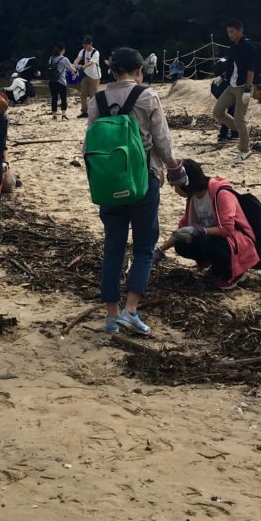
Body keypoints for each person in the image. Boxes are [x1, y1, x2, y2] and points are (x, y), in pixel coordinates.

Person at [86, 47, 181, 336]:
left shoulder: (96, 100)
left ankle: (112, 317)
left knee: (112, 248)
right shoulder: (147, 96)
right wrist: (176, 170)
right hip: (143, 181)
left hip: (109, 182)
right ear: (140, 70)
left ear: (112, 72)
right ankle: (130, 310)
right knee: (143, 247)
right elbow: (162, 141)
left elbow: (90, 142)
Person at [159, 159, 258, 291]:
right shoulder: (193, 198)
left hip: (236, 242)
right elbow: (182, 228)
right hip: (215, 240)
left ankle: (234, 273)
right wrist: (160, 251)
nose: (176, 190)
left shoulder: (221, 194)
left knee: (211, 241)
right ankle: (218, 267)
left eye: (176, 186)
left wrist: (199, 230)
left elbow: (227, 229)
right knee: (182, 245)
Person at [211, 20, 258, 161]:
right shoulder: (234, 45)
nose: (230, 35)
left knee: (239, 119)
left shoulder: (248, 46)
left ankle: (245, 150)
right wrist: (222, 76)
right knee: (217, 112)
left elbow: (251, 68)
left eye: (232, 31)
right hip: (231, 85)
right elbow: (231, 64)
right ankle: (244, 130)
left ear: (240, 31)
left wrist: (248, 88)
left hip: (244, 86)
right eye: (228, 32)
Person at [73, 36, 103, 118]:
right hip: (86, 75)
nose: (85, 46)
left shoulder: (95, 52)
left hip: (95, 76)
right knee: (83, 94)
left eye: (86, 44)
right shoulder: (82, 51)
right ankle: (84, 112)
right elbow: (77, 59)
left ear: (91, 44)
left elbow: (91, 63)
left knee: (92, 96)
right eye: (84, 44)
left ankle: (93, 112)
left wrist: (82, 67)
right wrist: (74, 65)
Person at [210, 57, 236, 143]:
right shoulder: (232, 62)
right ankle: (233, 134)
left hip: (218, 87)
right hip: (227, 87)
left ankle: (223, 134)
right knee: (231, 112)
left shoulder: (223, 61)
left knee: (225, 113)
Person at [47, 44, 73, 120]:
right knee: (63, 98)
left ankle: (54, 115)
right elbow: (70, 69)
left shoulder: (51, 58)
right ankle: (63, 115)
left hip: (52, 81)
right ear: (62, 50)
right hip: (61, 81)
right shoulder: (64, 59)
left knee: (54, 98)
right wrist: (76, 70)